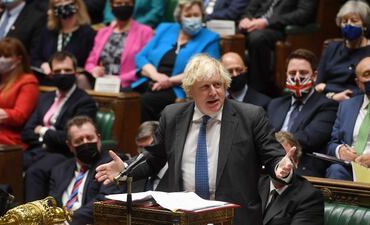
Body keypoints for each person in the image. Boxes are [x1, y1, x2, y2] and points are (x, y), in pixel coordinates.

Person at [96, 54, 295, 225]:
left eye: (218, 85)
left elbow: (273, 156)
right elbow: (153, 158)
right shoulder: (173, 115)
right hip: (182, 217)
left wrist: (280, 167)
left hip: (232, 218)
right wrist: (125, 169)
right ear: (190, 91)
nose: (214, 92)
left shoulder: (250, 116)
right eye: (205, 87)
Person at [22, 51, 97, 202]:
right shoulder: (45, 98)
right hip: (36, 150)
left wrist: (42, 130)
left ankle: (32, 219)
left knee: (35, 171)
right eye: (57, 71)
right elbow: (27, 131)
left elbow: (69, 138)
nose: (62, 74)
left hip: (62, 154)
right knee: (5, 162)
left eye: (67, 70)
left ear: (75, 73)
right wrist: (50, 134)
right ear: (51, 74)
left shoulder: (84, 101)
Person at [135, 0, 220, 122]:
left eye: (196, 15)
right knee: (124, 96)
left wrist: (169, 81)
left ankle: (147, 140)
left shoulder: (210, 38)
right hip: (151, 81)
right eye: (188, 15)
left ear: (202, 16)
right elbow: (141, 57)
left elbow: (207, 70)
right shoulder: (165, 28)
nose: (192, 19)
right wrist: (156, 75)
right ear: (180, 17)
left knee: (146, 101)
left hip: (178, 88)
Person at [267, 49, 338, 177]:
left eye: (303, 73)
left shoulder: (327, 105)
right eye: (292, 73)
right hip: (269, 162)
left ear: (315, 76)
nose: (297, 77)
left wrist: (273, 144)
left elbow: (309, 139)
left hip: (303, 165)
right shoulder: (275, 104)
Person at [326, 56, 370, 184]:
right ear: (358, 83)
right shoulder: (346, 106)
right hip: (349, 170)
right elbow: (332, 144)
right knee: (335, 170)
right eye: (367, 74)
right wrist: (340, 151)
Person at [49, 115, 124, 225]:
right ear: (70, 146)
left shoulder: (110, 166)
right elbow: (52, 202)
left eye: (89, 138)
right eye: (79, 140)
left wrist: (67, 221)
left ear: (98, 139)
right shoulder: (59, 170)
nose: (85, 143)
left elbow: (104, 202)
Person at [239, 0, 317, 95]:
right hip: (253, 26)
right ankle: (232, 86)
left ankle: (258, 91)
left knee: (257, 38)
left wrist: (267, 22)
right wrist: (245, 18)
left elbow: (304, 14)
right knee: (230, 35)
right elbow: (250, 8)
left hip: (280, 29)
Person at [315, 0, 370, 102]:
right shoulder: (331, 48)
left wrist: (327, 87)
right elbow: (317, 84)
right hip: (325, 100)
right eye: (344, 21)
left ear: (364, 24)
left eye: (354, 21)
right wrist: (333, 96)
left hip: (356, 102)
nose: (349, 25)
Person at [259, 131, 324, 225]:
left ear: (296, 162)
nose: (282, 165)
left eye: (287, 159)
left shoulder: (309, 197)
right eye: (276, 159)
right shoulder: (254, 185)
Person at [84, 0, 153, 89]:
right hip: (101, 83)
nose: (123, 6)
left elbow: (146, 65)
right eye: (119, 3)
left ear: (133, 5)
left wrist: (120, 79)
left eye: (127, 4)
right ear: (111, 6)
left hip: (129, 85)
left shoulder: (145, 32)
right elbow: (90, 62)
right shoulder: (103, 32)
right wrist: (94, 69)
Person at [0, 37, 39, 148]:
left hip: (10, 136)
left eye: (7, 56)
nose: (1, 60)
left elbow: (20, 116)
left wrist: (1, 114)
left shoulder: (28, 81)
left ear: (19, 59)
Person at [30, 0, 96, 77]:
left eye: (67, 1)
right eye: (58, 3)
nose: (63, 5)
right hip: (48, 79)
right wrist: (42, 65)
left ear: (77, 5)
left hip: (74, 80)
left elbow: (90, 63)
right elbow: (34, 58)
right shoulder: (47, 31)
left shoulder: (88, 33)